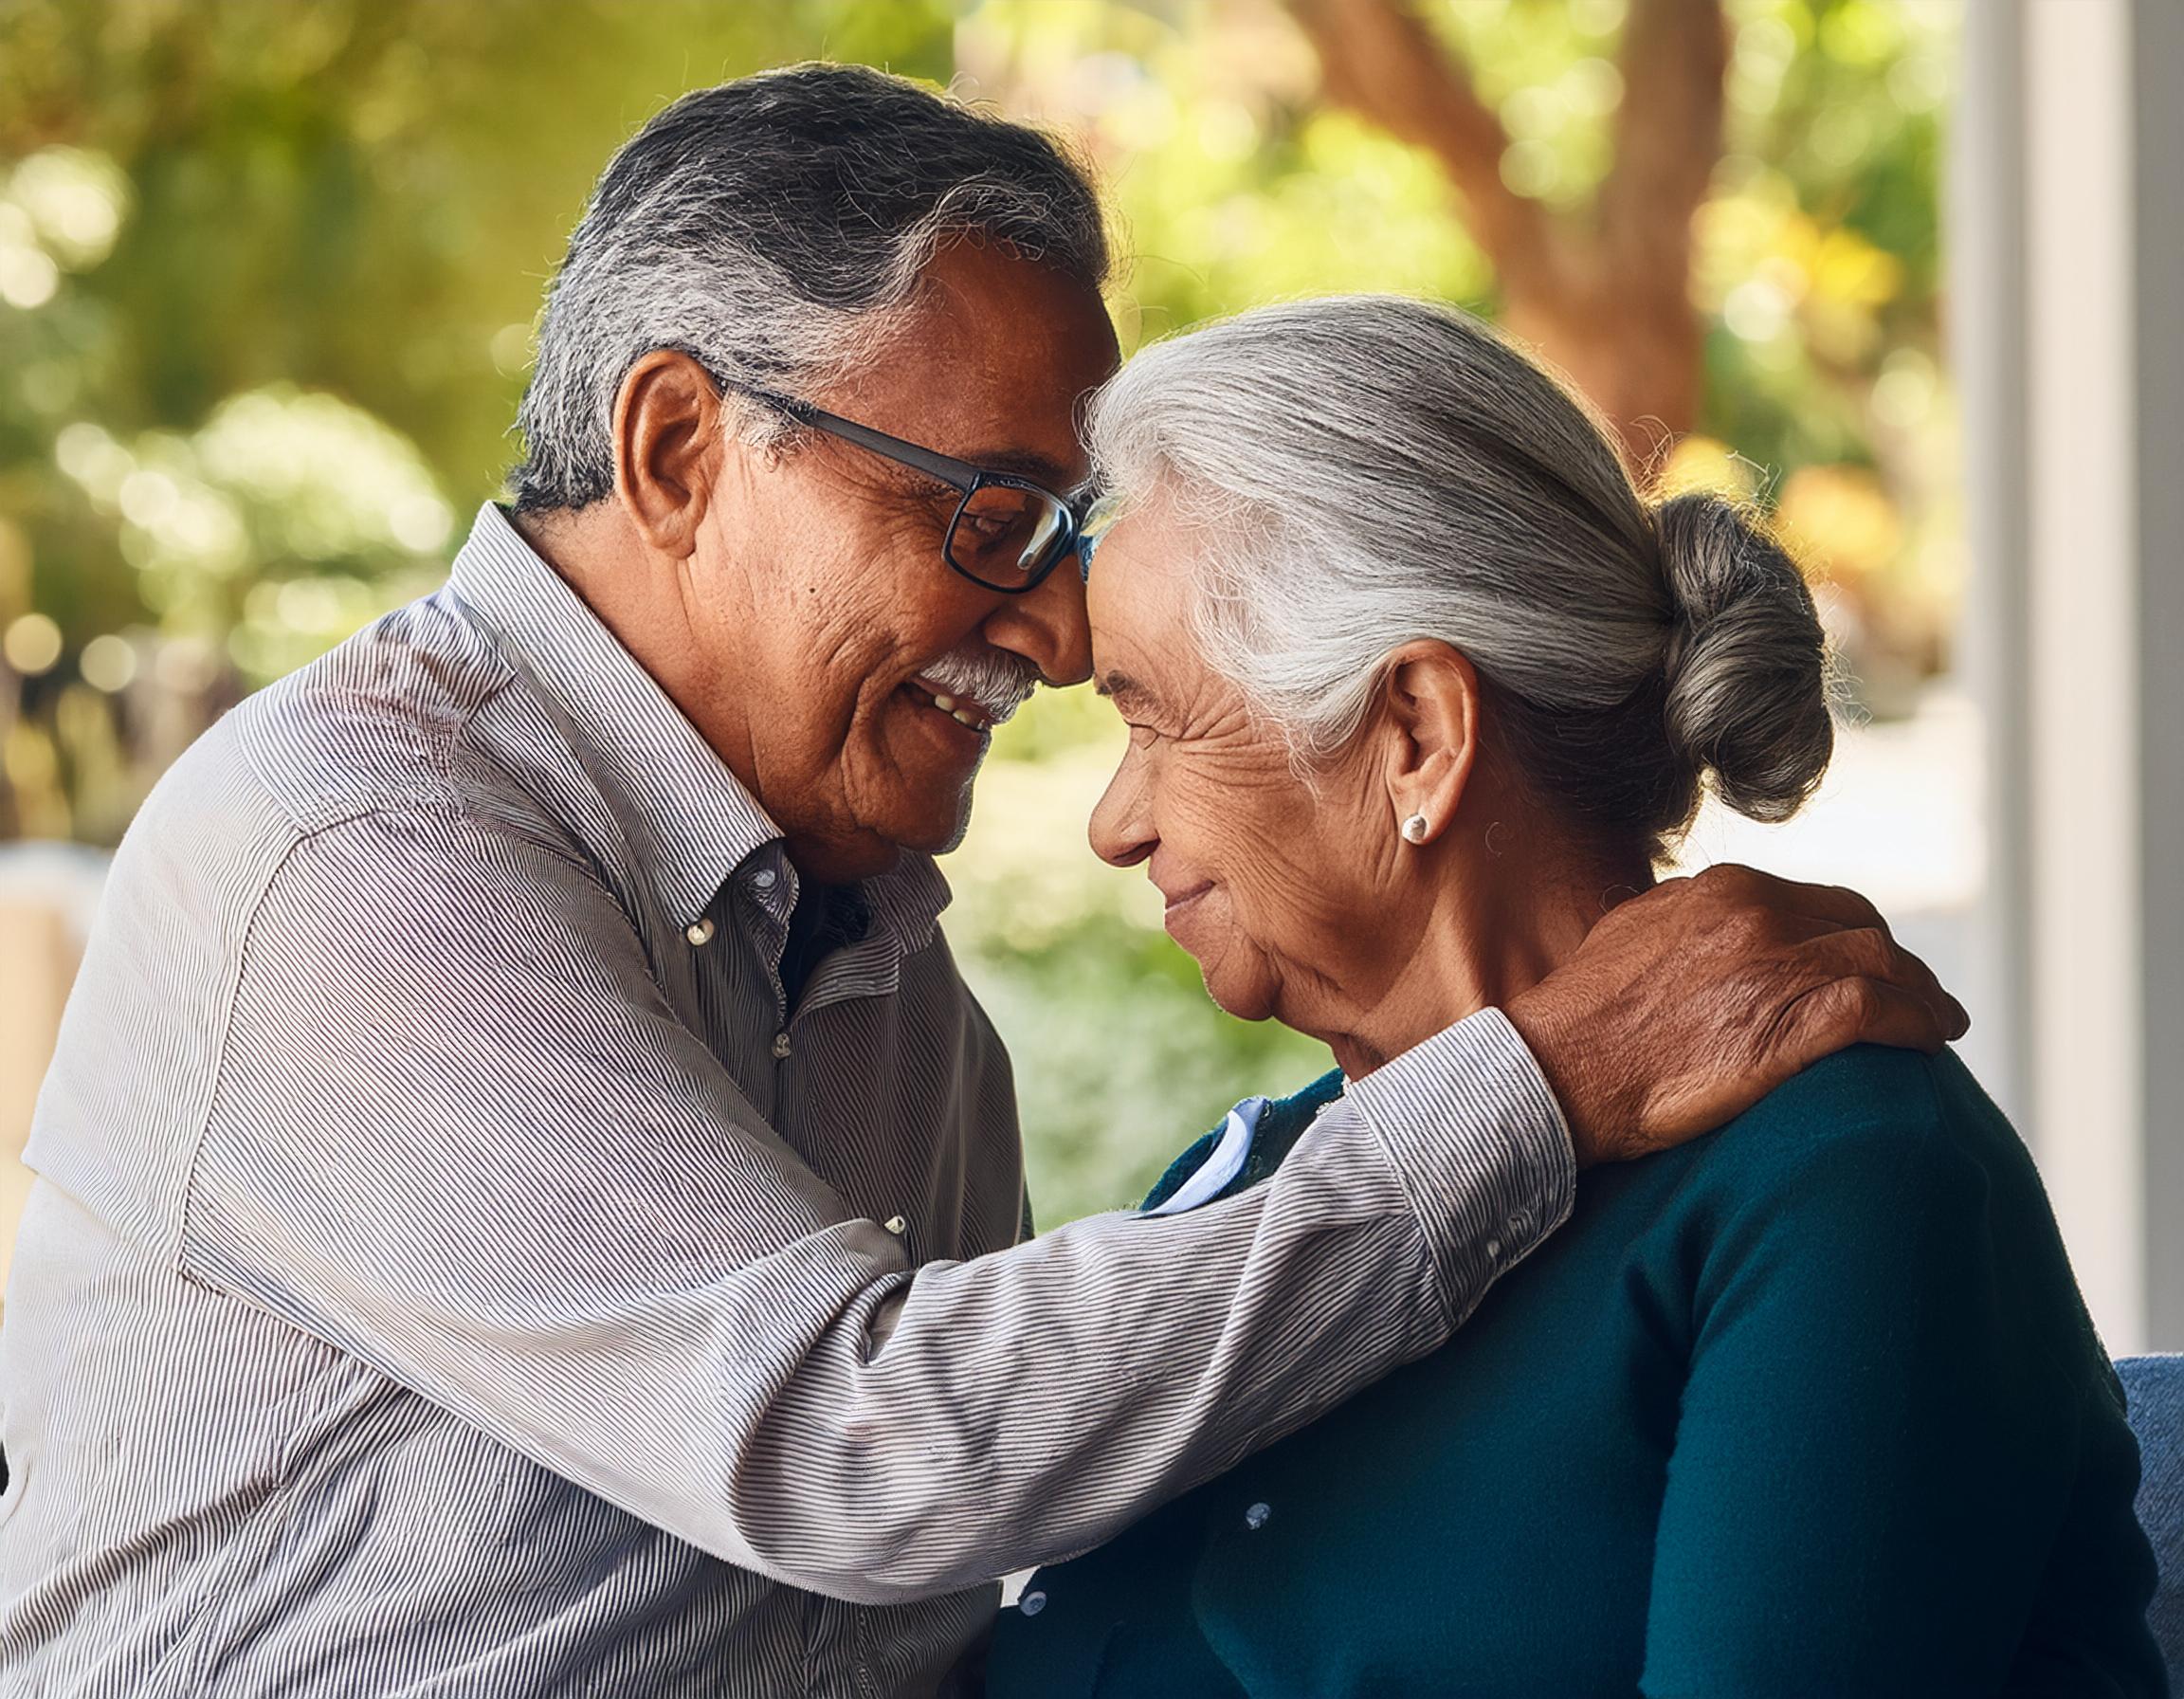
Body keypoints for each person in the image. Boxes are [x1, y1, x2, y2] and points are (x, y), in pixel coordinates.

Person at [0, 70, 1964, 1698]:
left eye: (1072, 537)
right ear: (680, 445)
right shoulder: (366, 846)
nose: (1045, 622)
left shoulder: (882, 965)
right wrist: (1539, 1080)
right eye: (993, 516)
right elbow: (872, 1448)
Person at [985, 294, 2165, 1697]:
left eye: (1153, 716)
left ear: (1415, 735)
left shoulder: (1845, 1181)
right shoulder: (1267, 1195)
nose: (1115, 822)